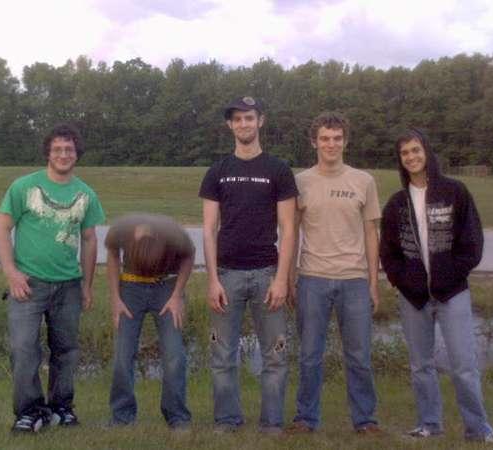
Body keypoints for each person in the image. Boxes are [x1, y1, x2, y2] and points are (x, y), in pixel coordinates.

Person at [379, 128, 493, 445]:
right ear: (400, 160)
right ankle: (429, 424)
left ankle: (478, 429)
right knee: (421, 365)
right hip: (413, 298)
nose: (411, 157)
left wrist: (450, 276)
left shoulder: (455, 192)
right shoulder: (397, 203)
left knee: (464, 365)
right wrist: (403, 281)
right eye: (405, 153)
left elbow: (473, 244)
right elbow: (388, 253)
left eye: (416, 150)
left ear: (426, 151)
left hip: (453, 293)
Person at [0, 123, 105, 433]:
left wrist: (87, 286)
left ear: (77, 154)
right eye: (57, 149)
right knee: (23, 349)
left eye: (69, 149)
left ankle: (61, 407)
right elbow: (2, 228)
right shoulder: (23, 187)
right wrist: (11, 273)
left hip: (69, 286)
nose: (63, 154)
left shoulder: (86, 194)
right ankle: (29, 412)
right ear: (48, 153)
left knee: (66, 351)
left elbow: (90, 240)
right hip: (27, 285)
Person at [199, 96, 297, 434]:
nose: (244, 124)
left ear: (260, 121)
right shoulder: (217, 172)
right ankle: (227, 420)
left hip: (267, 273)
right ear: (230, 125)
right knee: (222, 355)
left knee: (275, 354)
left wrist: (281, 279)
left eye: (249, 118)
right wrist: (212, 279)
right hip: (226, 275)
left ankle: (272, 422)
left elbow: (288, 229)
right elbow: (208, 230)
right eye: (238, 119)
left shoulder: (278, 170)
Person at [287, 111, 381, 434]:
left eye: (337, 138)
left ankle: (365, 420)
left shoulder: (364, 181)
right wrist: (289, 279)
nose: (331, 144)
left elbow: (371, 234)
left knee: (359, 357)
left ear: (345, 141)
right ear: (314, 142)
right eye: (325, 138)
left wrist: (373, 282)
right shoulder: (300, 182)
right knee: (310, 355)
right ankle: (305, 419)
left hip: (354, 280)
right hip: (311, 278)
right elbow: (291, 233)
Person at [106, 213, 194, 430]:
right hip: (130, 288)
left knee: (175, 354)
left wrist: (177, 295)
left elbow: (189, 256)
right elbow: (113, 254)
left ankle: (177, 417)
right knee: (122, 354)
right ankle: (122, 417)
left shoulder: (172, 230)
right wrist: (116, 298)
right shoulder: (122, 227)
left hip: (166, 288)